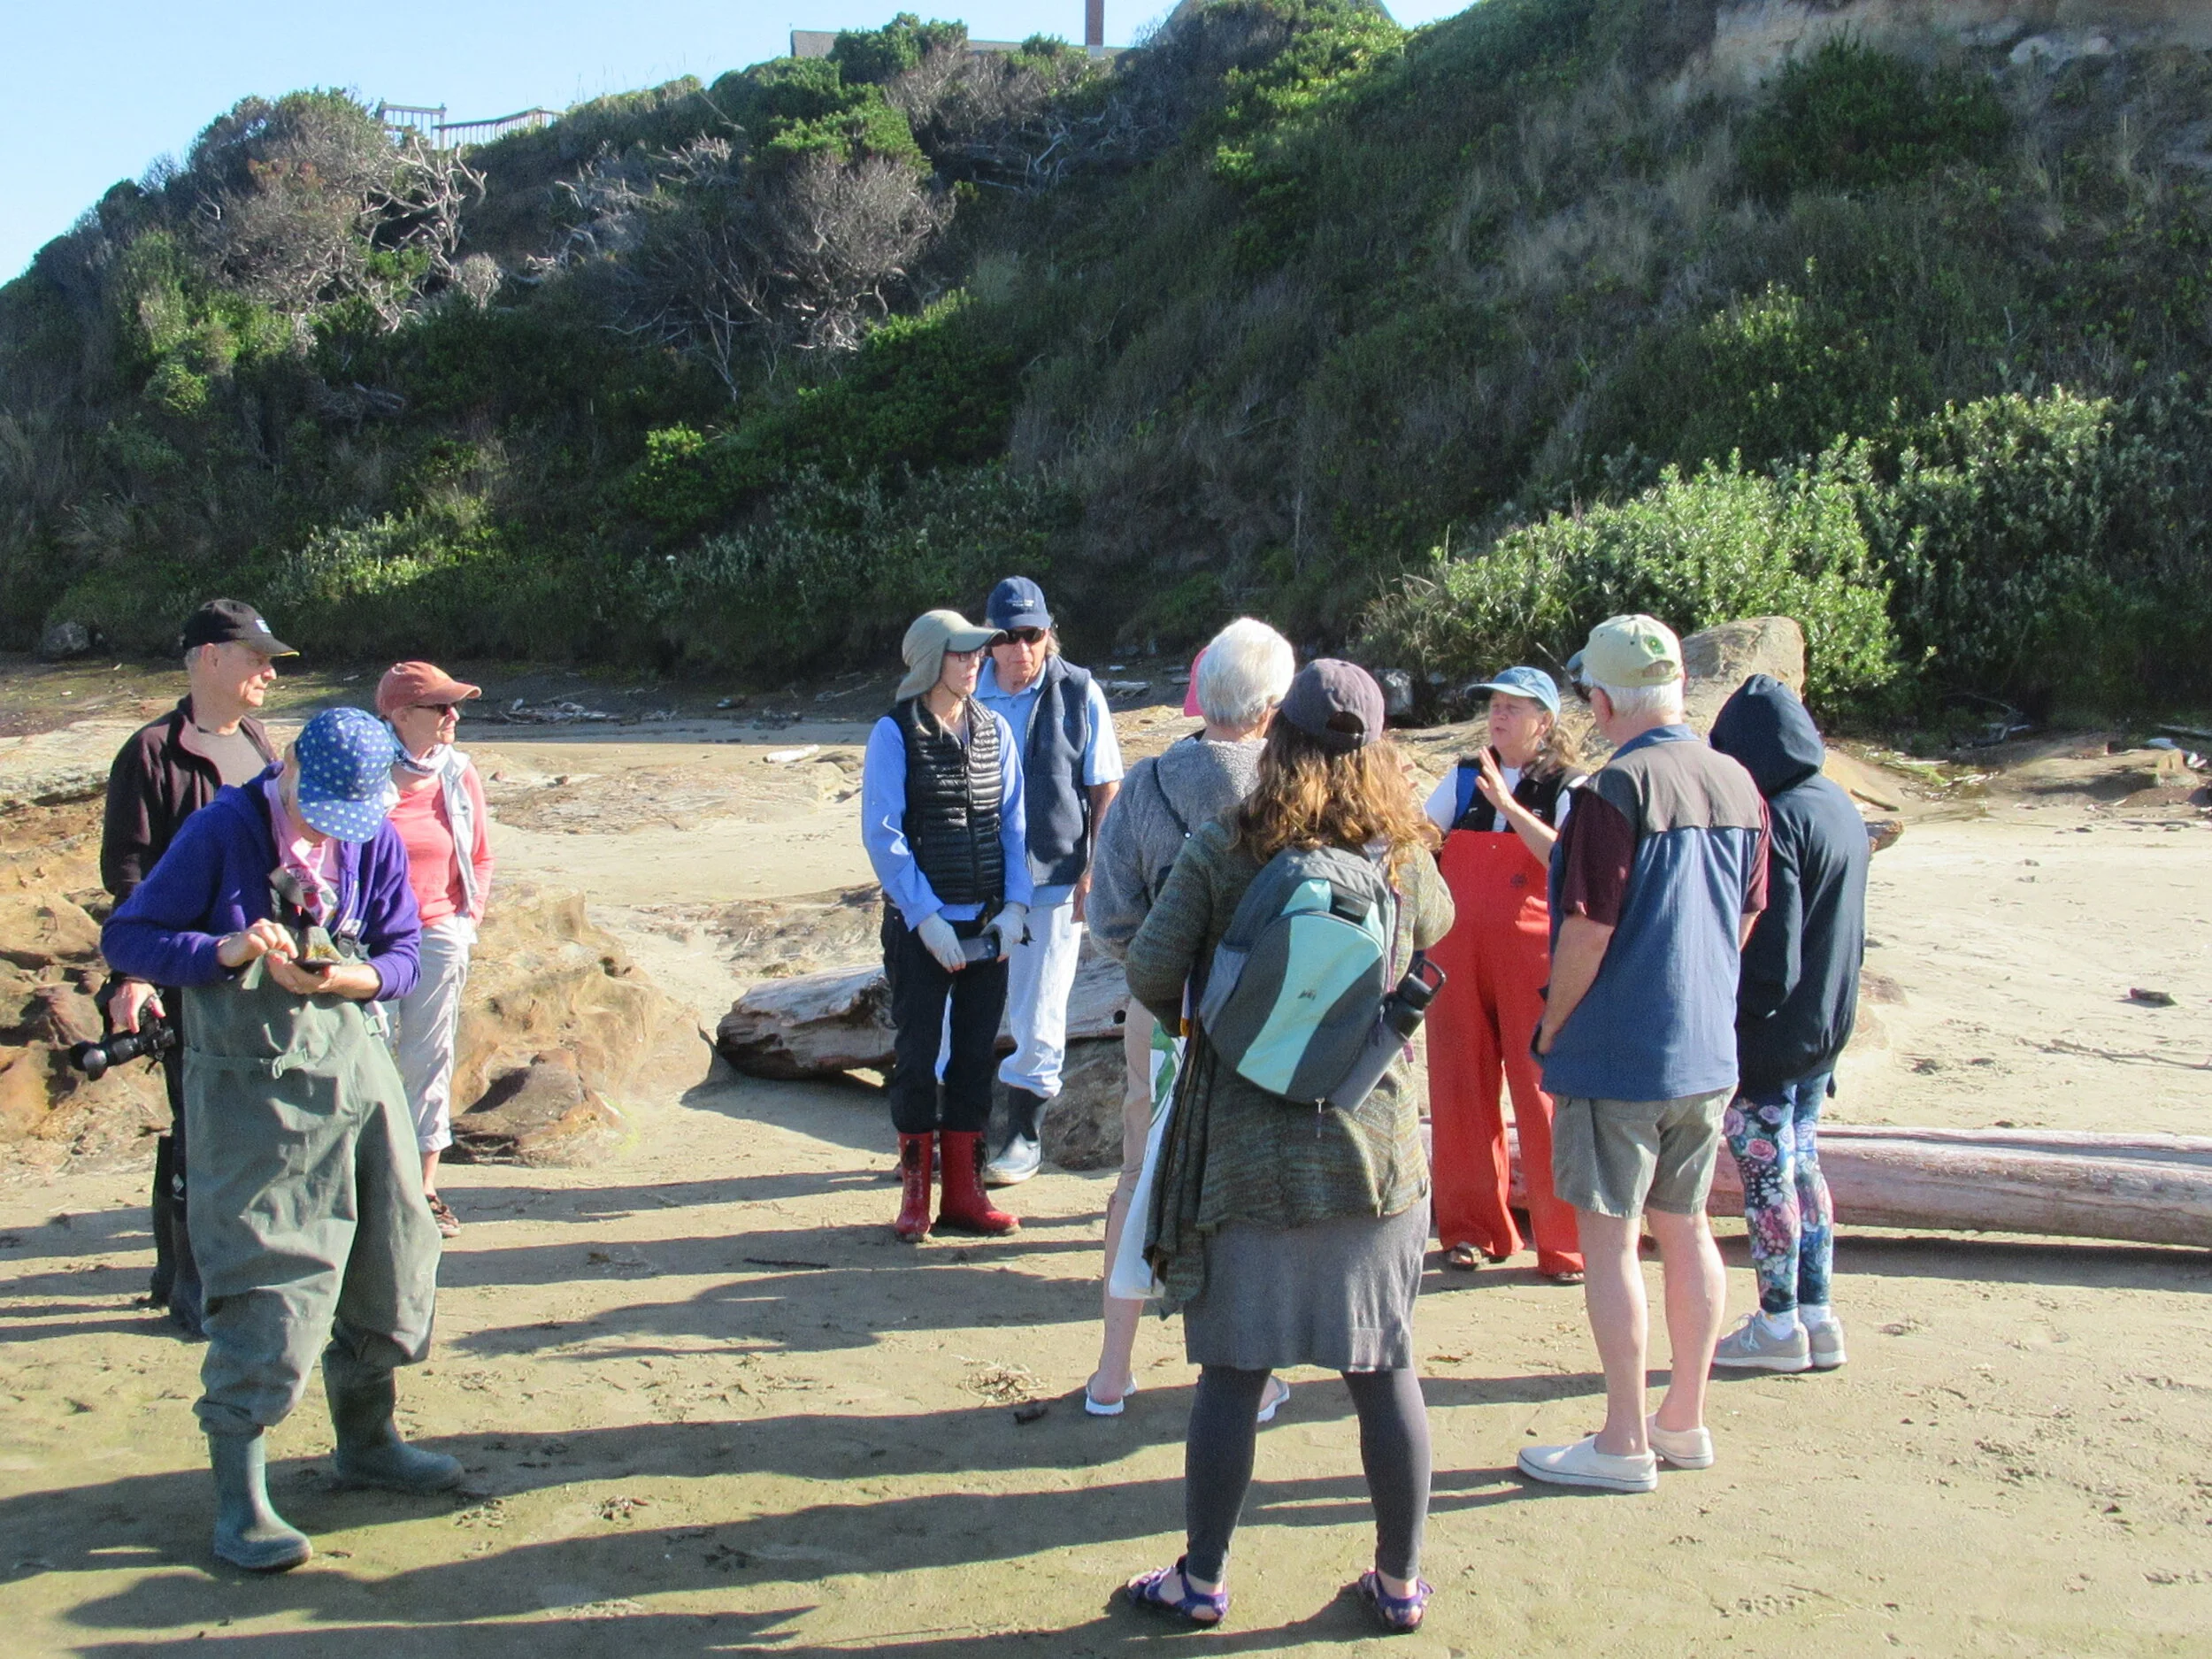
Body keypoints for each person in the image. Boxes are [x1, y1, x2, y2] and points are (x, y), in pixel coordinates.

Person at [1122, 661, 1454, 1632]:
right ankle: (1397, 1587)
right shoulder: (1398, 851)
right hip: (1370, 1143)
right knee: (1383, 1368)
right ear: (1379, 749)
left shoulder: (1226, 846)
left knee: (1232, 1372)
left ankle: (1202, 1581)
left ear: (1279, 739)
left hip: (1246, 1152)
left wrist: (1224, 1009)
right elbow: (1439, 927)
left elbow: (1148, 970)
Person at [101, 705, 454, 1572]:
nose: (333, 831)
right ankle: (242, 1500)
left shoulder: (369, 836)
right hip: (250, 1088)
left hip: (357, 1071)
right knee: (271, 1271)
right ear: (289, 766)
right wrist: (221, 953)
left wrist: (352, 976)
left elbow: (404, 949)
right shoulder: (222, 830)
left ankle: (367, 1441)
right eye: (319, 810)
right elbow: (129, 937)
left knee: (393, 1248)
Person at [1517, 616, 1769, 1494]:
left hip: (1619, 1054)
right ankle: (1682, 1419)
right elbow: (1744, 915)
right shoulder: (1736, 782)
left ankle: (1623, 1438)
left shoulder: (1610, 792)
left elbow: (1585, 931)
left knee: (1610, 1237)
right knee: (1688, 1226)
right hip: (1705, 1049)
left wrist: (1551, 1024)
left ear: (1601, 699)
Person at [1085, 617, 1294, 1418]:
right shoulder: (1292, 786)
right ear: (1272, 703)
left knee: (1139, 1174)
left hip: (1163, 1004)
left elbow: (1107, 920)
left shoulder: (1145, 785)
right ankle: (1254, 1372)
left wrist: (1160, 960)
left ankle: (1112, 1370)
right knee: (1245, 1188)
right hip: (1267, 1013)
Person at [102, 598, 291, 1337]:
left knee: (238, 1125)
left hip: (253, 972)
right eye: (257, 658)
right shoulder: (149, 752)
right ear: (211, 657)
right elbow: (126, 873)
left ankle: (206, 1272)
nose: (269, 672)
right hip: (184, 969)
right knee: (196, 1127)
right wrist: (133, 977)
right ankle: (189, 1288)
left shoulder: (256, 738)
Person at [1707, 673, 1869, 1374]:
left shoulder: (1777, 820)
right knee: (1804, 1165)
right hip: (1827, 1027)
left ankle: (1777, 1323)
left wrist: (1733, 1019)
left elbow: (1773, 947)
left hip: (1775, 1037)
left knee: (1769, 1175)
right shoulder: (1838, 804)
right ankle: (1816, 1314)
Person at [862, 610, 1033, 1241]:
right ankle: (915, 1196)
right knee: (914, 1059)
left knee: (973, 1058)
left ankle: (965, 1191)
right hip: (921, 932)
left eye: (977, 654)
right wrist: (924, 914)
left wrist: (1017, 904)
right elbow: (884, 835)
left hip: (988, 926)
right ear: (932, 660)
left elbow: (1013, 825)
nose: (976, 662)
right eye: (962, 654)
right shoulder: (893, 734)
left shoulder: (995, 731)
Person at [1422, 665, 1586, 1283]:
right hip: (1454, 952)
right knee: (1458, 1087)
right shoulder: (1463, 776)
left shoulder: (1572, 784)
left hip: (1535, 960)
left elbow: (1566, 858)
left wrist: (1508, 807)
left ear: (1545, 721)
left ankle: (1566, 1240)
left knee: (1543, 1093)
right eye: (1493, 704)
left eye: (1514, 707)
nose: (1498, 716)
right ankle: (1471, 1230)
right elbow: (1422, 835)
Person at [973, 576, 1124, 1186]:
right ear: (989, 642)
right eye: (1007, 637)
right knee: (969, 1005)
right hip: (977, 877)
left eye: (1031, 635)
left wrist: (1095, 868)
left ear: (1047, 632)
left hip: (1053, 878)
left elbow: (1105, 786)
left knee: (1040, 1010)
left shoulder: (1080, 691)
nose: (1021, 649)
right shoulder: (965, 693)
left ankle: (1023, 1135)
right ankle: (953, 1132)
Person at [378, 662, 496, 1240]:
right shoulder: (363, 770)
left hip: (439, 933)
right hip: (369, 940)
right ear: (400, 715)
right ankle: (372, 1187)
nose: (453, 718)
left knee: (430, 1060)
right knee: (368, 1059)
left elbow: (479, 855)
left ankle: (424, 1187)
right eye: (440, 708)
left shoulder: (458, 771)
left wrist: (464, 921)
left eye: (456, 707)